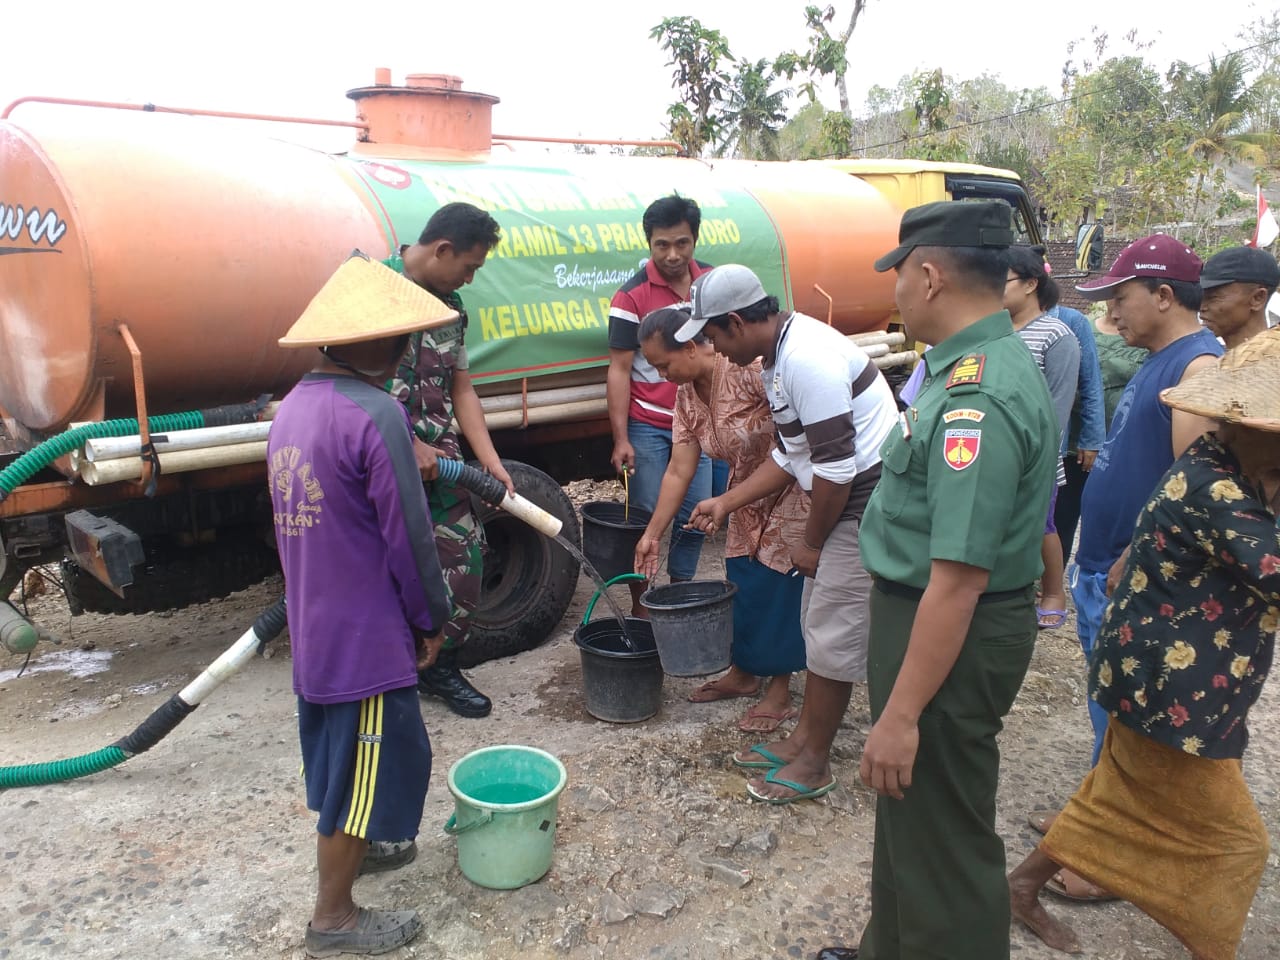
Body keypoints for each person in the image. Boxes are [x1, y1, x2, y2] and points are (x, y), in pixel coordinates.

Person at [816, 200, 1059, 960]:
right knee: (909, 815)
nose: (894, 296)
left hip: (948, 630)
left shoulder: (977, 397)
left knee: (944, 834)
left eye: (897, 279)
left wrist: (899, 715)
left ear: (928, 275)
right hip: (924, 623)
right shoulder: (974, 366)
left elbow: (957, 580)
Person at [1008, 329, 1280, 959]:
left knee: (1113, 798)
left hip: (1159, 681)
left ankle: (1020, 886)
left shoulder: (1232, 470)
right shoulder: (1219, 489)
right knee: (1239, 846)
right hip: (1170, 693)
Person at [269, 253, 455, 956]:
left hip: (316, 622)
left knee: (337, 757)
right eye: (404, 336)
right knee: (365, 766)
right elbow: (408, 536)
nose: (409, 347)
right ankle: (335, 918)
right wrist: (430, 617)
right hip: (365, 637)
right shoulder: (377, 415)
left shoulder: (293, 408)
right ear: (384, 344)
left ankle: (362, 851)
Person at [682, 264, 897, 805]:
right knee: (816, 622)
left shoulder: (808, 360)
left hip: (863, 505)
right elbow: (791, 454)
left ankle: (814, 762)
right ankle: (803, 738)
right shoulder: (780, 355)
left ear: (735, 321)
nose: (715, 350)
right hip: (843, 498)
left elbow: (837, 470)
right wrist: (726, 501)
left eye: (712, 336)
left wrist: (812, 542)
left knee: (832, 633)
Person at [633, 306, 808, 731]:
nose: (660, 375)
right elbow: (679, 469)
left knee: (778, 582)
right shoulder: (686, 396)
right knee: (741, 579)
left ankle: (780, 687)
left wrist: (728, 502)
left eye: (664, 364)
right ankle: (745, 673)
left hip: (793, 485)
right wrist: (652, 534)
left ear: (691, 347)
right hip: (741, 493)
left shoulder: (747, 370)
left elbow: (799, 439)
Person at [385, 202, 510, 719]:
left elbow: (461, 386)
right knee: (385, 569)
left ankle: (439, 667)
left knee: (465, 559)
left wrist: (491, 462)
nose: (471, 277)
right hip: (379, 465)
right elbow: (345, 384)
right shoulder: (371, 289)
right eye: (470, 266)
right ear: (442, 249)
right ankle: (391, 672)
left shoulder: (452, 307)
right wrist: (401, 442)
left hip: (444, 464)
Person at [606, 195, 713, 615]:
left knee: (695, 514)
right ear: (649, 243)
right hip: (648, 426)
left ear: (695, 240)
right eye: (662, 245)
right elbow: (618, 369)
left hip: (699, 423)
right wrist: (620, 438)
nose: (672, 255)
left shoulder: (710, 284)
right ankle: (641, 604)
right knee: (646, 516)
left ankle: (679, 593)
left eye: (682, 244)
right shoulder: (630, 296)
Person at [1002, 245, 1081, 630]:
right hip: (997, 449)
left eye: (1003, 280)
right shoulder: (994, 330)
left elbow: (1058, 406)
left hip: (1036, 453)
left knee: (1042, 524)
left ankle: (1053, 591)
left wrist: (1037, 452)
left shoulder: (1057, 334)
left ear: (1031, 283)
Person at [1054, 299, 1147, 566]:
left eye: (1123, 296)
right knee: (1064, 512)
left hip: (1117, 444)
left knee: (1105, 514)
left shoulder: (1140, 339)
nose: (1116, 304)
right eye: (1113, 296)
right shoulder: (1083, 329)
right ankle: (1057, 576)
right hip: (1075, 442)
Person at [1199, 245, 1280, 350]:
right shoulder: (1215, 359)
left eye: (1214, 297)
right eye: (1202, 297)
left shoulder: (1271, 363)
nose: (1202, 307)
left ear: (1257, 298)